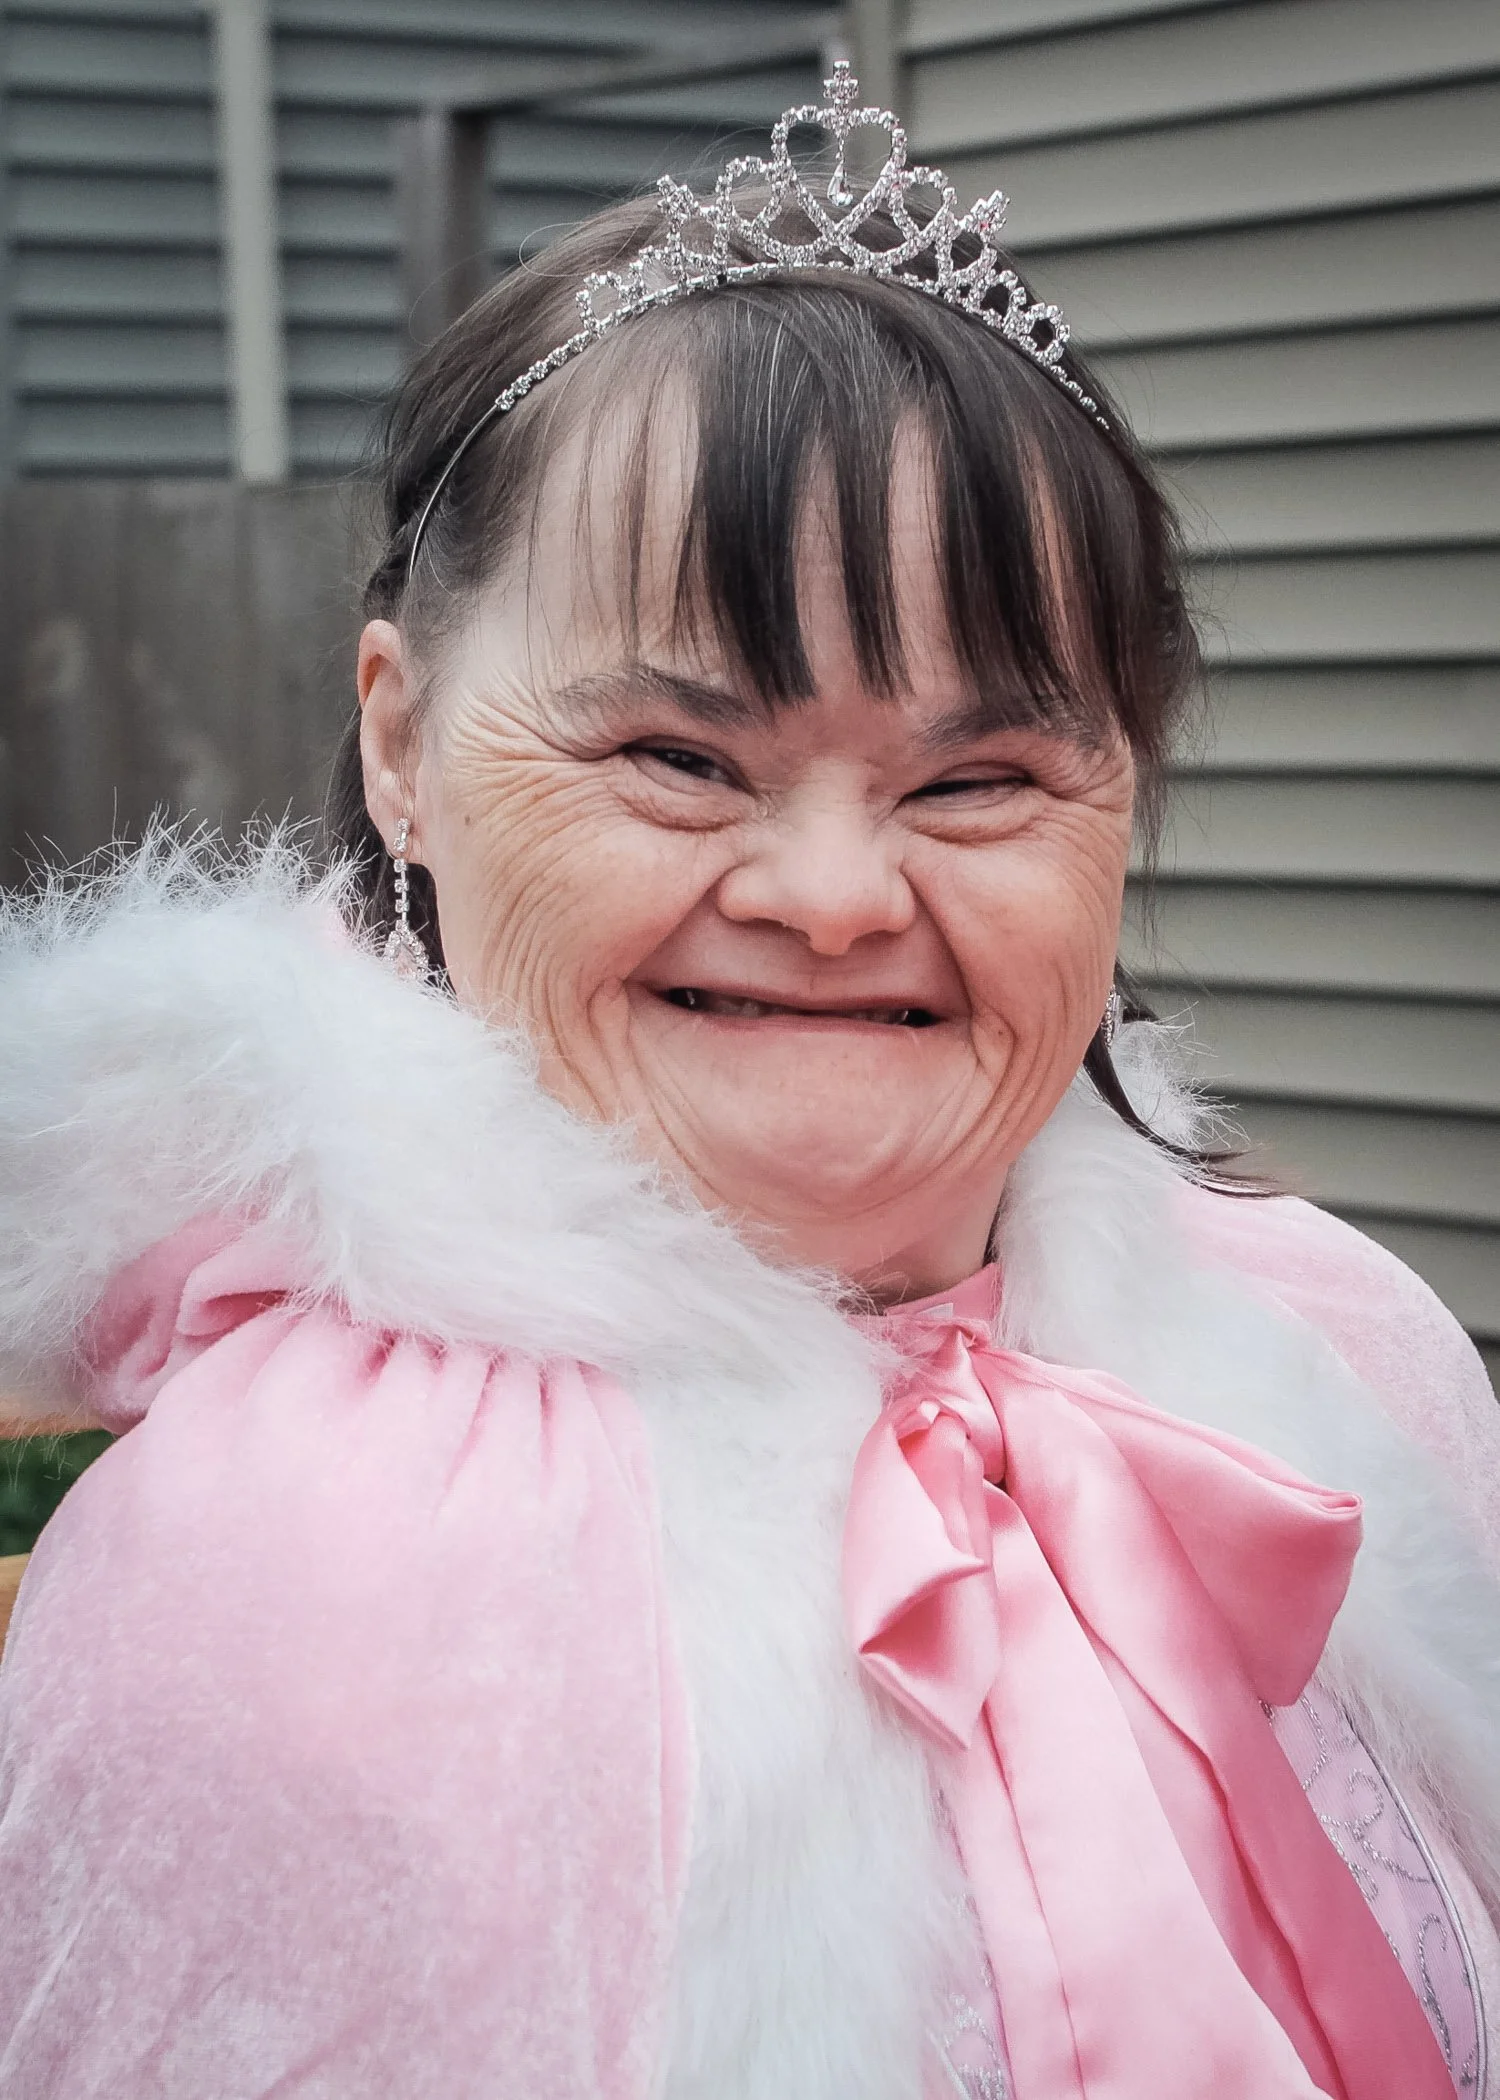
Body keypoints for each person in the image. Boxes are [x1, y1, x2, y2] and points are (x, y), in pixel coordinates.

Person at [0, 68, 1496, 2100]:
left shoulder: (1338, 1366)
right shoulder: (277, 1578)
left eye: (979, 782)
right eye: (679, 759)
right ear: (403, 747)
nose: (829, 894)